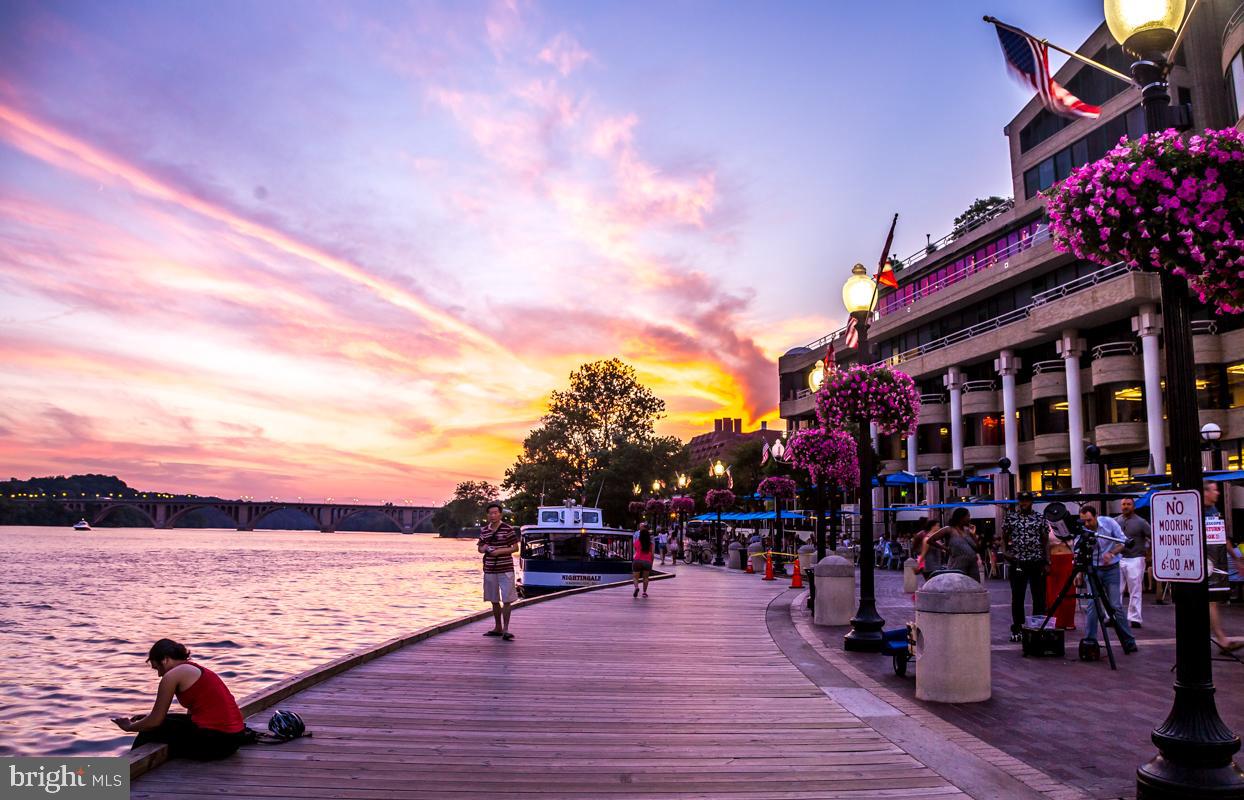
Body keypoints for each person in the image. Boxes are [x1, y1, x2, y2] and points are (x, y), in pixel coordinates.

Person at [112, 639, 247, 760]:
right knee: (165, 722)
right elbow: (192, 715)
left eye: (157, 667)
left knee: (149, 731)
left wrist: (129, 727)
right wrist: (146, 719)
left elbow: (155, 721)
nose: (159, 674)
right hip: (234, 739)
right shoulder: (193, 669)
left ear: (165, 659)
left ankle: (124, 772)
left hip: (218, 743)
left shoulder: (172, 676)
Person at [1076, 505, 1138, 655]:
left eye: (1089, 520)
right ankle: (1090, 641)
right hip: (1093, 570)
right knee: (1093, 605)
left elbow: (1122, 542)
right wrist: (1079, 572)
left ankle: (1129, 642)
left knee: (1115, 606)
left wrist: (1111, 553)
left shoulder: (1109, 523)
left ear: (1096, 516)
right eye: (1084, 521)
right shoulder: (1083, 528)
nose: (1087, 524)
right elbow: (1078, 550)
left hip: (1111, 569)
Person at [1003, 491, 1049, 642]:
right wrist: (1005, 552)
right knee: (1018, 597)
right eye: (1021, 501)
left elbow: (1045, 540)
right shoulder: (1011, 518)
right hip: (1018, 561)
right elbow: (1003, 536)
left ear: (1031, 502)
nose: (1023, 503)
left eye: (1026, 501)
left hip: (1036, 561)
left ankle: (1037, 627)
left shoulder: (1039, 518)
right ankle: (1018, 627)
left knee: (1039, 596)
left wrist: (1046, 560)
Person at [1203, 482, 1241, 652]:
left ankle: (1221, 639)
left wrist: (1236, 559)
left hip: (1212, 561)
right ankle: (1221, 640)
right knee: (1209, 601)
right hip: (1201, 562)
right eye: (1214, 490)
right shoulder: (1197, 508)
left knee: (1212, 600)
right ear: (1205, 492)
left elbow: (1221, 536)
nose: (1218, 493)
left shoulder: (1213, 510)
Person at [478, 501, 519, 641]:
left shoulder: (508, 529)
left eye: (495, 513)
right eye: (490, 513)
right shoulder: (484, 530)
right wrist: (485, 549)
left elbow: (515, 548)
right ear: (487, 515)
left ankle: (506, 629)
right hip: (489, 569)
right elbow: (480, 548)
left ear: (500, 514)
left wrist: (499, 552)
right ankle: (498, 627)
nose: (493, 515)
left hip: (505, 568)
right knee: (494, 599)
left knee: (507, 599)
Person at [1115, 497, 1152, 628]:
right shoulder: (1116, 521)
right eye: (1123, 504)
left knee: (1135, 589)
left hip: (1136, 558)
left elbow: (1152, 536)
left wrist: (1149, 554)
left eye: (1128, 504)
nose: (1125, 506)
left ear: (1133, 506)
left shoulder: (1141, 522)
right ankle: (1114, 616)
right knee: (1115, 590)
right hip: (1119, 558)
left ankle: (1135, 618)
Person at [926, 508, 981, 583]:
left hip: (972, 565)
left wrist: (974, 534)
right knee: (958, 586)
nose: (969, 518)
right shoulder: (949, 529)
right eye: (968, 516)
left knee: (975, 586)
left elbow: (977, 548)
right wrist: (945, 549)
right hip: (958, 564)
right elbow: (930, 540)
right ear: (961, 518)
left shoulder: (968, 530)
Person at [633, 527, 655, 598]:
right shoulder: (650, 544)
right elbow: (652, 554)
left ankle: (636, 588)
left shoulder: (637, 542)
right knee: (645, 578)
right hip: (647, 561)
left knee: (635, 577)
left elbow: (635, 551)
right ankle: (644, 592)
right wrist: (651, 563)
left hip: (637, 560)